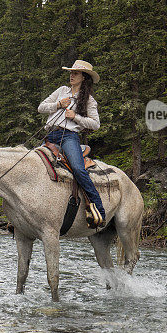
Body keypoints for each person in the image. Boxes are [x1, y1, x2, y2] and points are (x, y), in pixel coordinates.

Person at [38, 59, 106, 228]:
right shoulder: (61, 91)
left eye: (75, 73)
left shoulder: (89, 100)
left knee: (77, 169)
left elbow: (96, 124)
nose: (72, 75)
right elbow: (41, 107)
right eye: (71, 72)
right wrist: (58, 104)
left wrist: (75, 117)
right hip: (51, 135)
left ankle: (99, 210)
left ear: (84, 77)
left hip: (69, 137)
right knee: (31, 165)